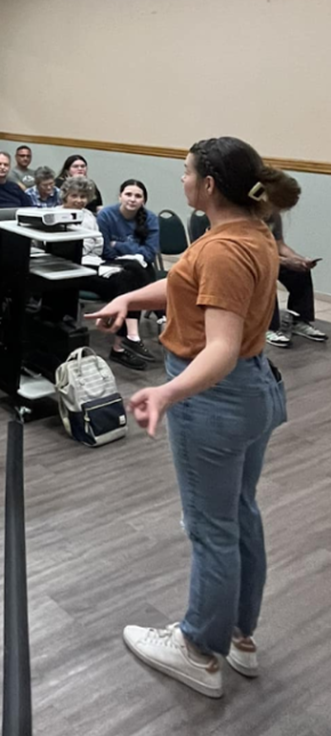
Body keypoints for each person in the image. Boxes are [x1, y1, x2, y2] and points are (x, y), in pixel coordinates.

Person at [87, 136, 296, 700]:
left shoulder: (226, 248)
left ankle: (199, 648)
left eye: (186, 173)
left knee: (212, 530)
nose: (180, 181)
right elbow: (186, 285)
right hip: (249, 393)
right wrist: (131, 299)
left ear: (208, 186)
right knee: (240, 514)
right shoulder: (248, 231)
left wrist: (167, 392)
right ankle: (238, 635)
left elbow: (222, 347)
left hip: (218, 398)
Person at [93, 179, 161, 368]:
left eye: (138, 196)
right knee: (135, 273)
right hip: (109, 267)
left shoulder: (150, 219)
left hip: (134, 270)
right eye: (128, 194)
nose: (132, 199)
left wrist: (120, 245)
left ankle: (126, 342)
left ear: (143, 201)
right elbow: (105, 251)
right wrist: (133, 251)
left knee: (134, 274)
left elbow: (149, 254)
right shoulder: (106, 215)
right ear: (120, 196)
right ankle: (158, 315)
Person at [264, 214, 327, 347]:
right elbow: (252, 250)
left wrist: (300, 260)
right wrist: (286, 261)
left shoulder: (274, 216)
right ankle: (268, 327)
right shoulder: (245, 214)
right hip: (249, 259)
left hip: (270, 257)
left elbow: (280, 246)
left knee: (300, 272)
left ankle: (299, 321)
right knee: (266, 275)